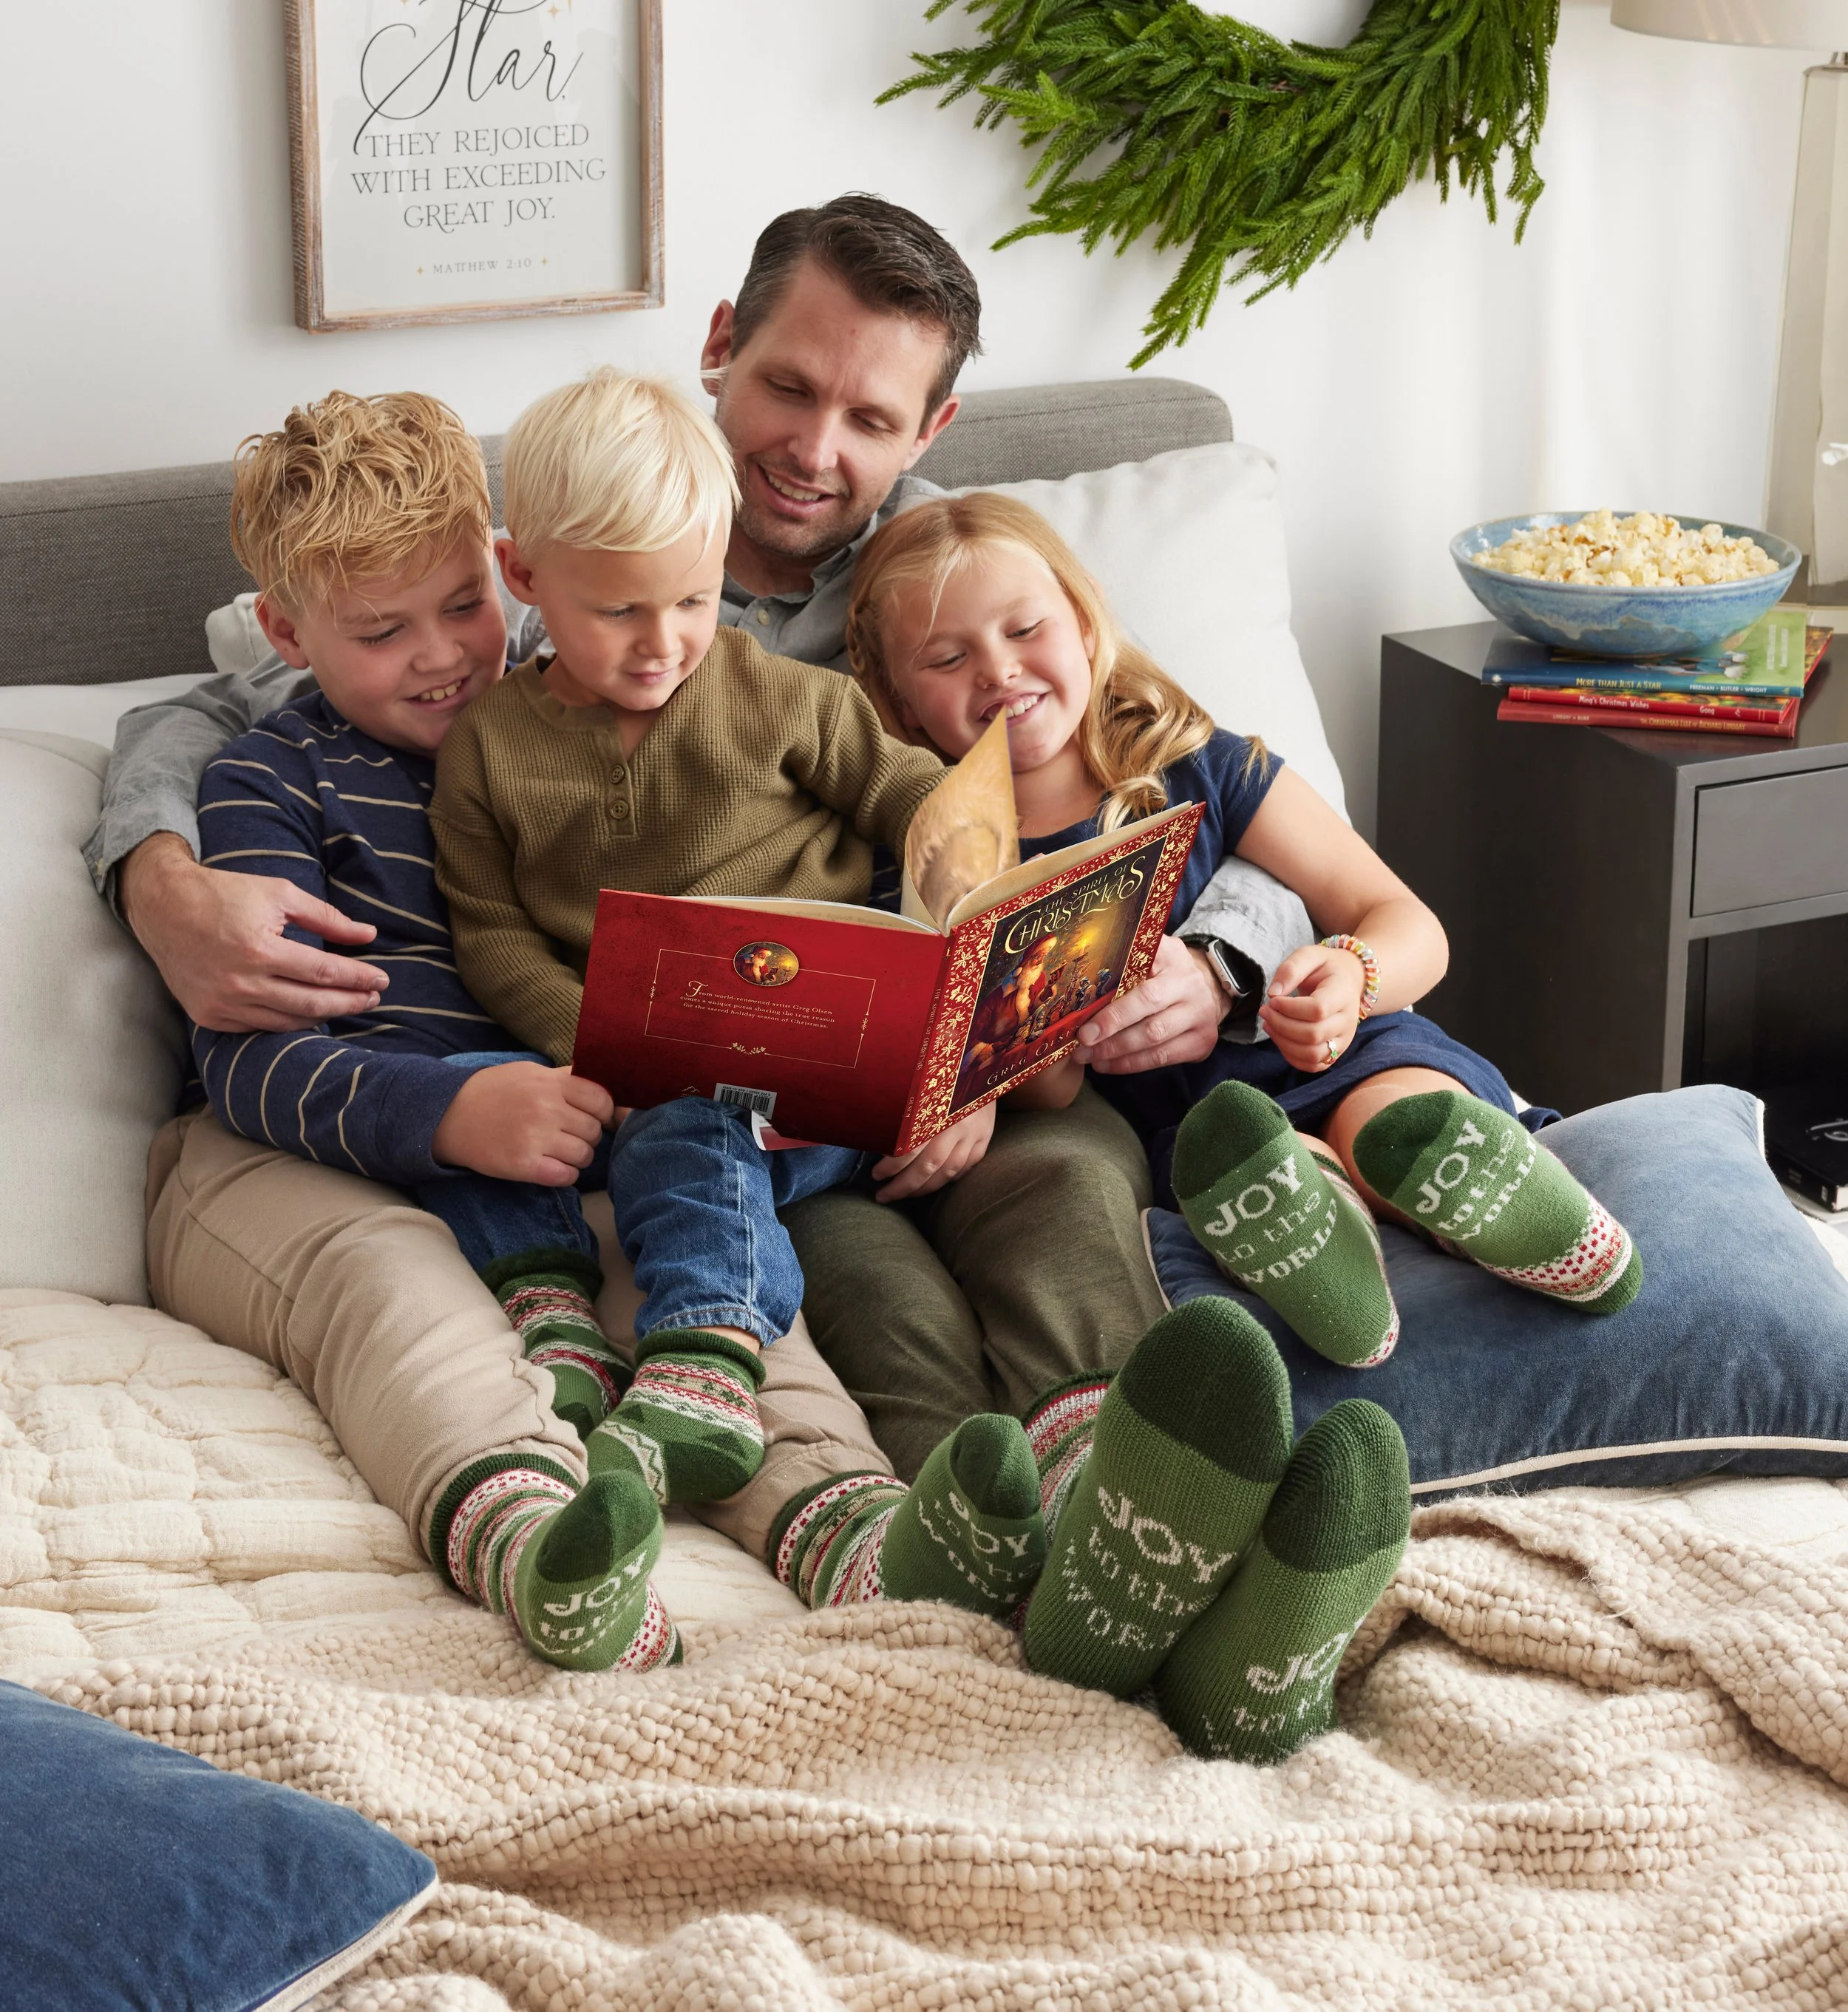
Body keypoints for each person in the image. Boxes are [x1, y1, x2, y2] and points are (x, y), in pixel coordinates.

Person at [88, 194, 1276, 1493]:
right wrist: (157, 872)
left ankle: (1146, 1490)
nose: (817, 449)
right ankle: (964, 1526)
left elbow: (1169, 758)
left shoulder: (953, 575)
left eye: (872, 419)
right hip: (695, 1086)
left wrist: (1200, 962)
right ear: (720, 345)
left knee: (1062, 1186)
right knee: (828, 1260)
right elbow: (225, 700)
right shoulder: (536, 603)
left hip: (934, 1044)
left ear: (930, 430)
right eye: (790, 387)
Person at [183, 386, 1077, 1664]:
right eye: (384, 630)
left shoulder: (642, 690)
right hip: (405, 1129)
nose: (442, 653)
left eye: (461, 608)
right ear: (285, 631)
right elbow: (252, 1055)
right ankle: (543, 1542)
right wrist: (459, 1109)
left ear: (509, 579)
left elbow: (884, 830)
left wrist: (957, 1030)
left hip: (612, 1116)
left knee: (707, 1262)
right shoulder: (276, 773)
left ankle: (862, 1535)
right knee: (446, 1307)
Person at [846, 491, 1645, 1376]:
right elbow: (1051, 1095)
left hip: (1342, 1047)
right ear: (901, 702)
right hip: (1204, 1134)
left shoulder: (1201, 765)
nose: (997, 670)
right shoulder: (937, 861)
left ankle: (1514, 1205)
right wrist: (1005, 1063)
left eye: (1025, 628)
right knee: (1269, 1166)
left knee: (1395, 1116)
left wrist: (1354, 975)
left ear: (1082, 622)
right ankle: (1333, 1257)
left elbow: (1405, 919)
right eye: (949, 657)